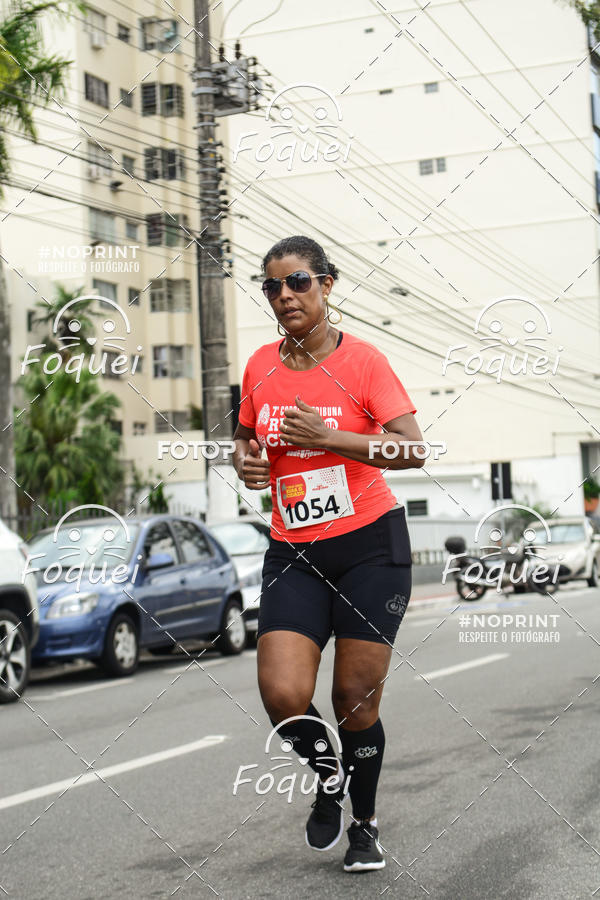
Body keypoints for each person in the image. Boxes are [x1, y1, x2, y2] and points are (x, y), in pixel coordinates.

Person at [232, 235, 425, 873]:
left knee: (353, 699)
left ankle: (364, 826)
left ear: (326, 285)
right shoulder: (258, 365)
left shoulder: (364, 362)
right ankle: (328, 781)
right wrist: (248, 462)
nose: (285, 295)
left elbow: (412, 449)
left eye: (299, 283)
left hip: (370, 545)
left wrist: (331, 437)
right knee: (283, 693)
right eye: (273, 287)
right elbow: (243, 438)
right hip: (294, 550)